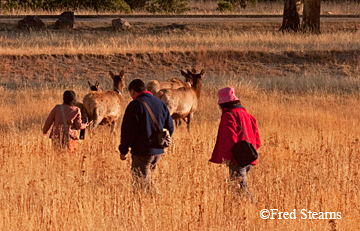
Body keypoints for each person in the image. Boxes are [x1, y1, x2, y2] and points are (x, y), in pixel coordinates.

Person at [119, 79, 174, 193]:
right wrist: (160, 141)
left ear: (133, 91)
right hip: (158, 150)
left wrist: (123, 150)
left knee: (140, 186)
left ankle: (155, 202)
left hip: (142, 150)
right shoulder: (160, 103)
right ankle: (155, 202)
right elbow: (170, 126)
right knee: (145, 180)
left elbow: (128, 130)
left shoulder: (135, 105)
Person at [209, 87, 261, 199]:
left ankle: (255, 206)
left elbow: (230, 139)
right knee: (239, 188)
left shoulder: (228, 116)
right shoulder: (248, 115)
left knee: (239, 190)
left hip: (237, 159)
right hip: (250, 158)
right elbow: (257, 141)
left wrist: (227, 157)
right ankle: (239, 211)